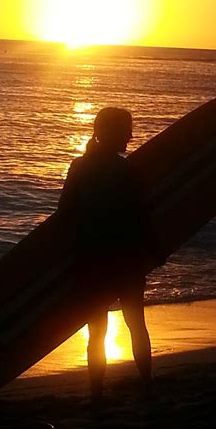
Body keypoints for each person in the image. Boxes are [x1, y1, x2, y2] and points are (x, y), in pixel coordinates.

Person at [58, 107, 159, 405]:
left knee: (97, 332)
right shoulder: (127, 170)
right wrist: (155, 249)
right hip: (125, 260)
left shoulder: (79, 167)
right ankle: (146, 386)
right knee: (136, 325)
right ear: (110, 133)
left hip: (91, 260)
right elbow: (141, 216)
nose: (130, 136)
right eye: (126, 130)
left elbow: (65, 214)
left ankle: (97, 395)